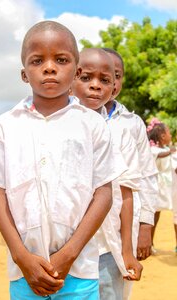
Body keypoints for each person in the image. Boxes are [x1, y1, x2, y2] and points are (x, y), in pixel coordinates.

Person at [0, 21, 125, 300]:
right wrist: (21, 256)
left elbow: (103, 193)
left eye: (61, 59)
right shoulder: (6, 126)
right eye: (37, 60)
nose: (49, 67)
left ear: (76, 71)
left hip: (79, 271)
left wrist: (68, 254)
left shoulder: (92, 125)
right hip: (25, 273)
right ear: (24, 74)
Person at [71, 47, 143, 300]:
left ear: (114, 87)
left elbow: (126, 192)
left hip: (106, 248)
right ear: (71, 79)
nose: (95, 86)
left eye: (105, 80)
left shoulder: (120, 131)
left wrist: (126, 250)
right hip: (59, 247)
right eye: (86, 77)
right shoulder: (52, 126)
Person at [102, 48, 158, 299]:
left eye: (117, 75)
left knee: (116, 288)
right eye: (104, 75)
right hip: (80, 232)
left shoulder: (131, 123)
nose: (112, 82)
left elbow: (146, 174)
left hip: (122, 225)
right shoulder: (74, 116)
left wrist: (146, 225)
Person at [147, 118, 177, 252]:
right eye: (169, 133)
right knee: (153, 215)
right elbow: (161, 155)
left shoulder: (165, 149)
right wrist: (171, 151)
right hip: (155, 187)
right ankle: (149, 243)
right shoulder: (153, 150)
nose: (170, 136)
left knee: (158, 215)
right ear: (163, 136)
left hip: (165, 187)